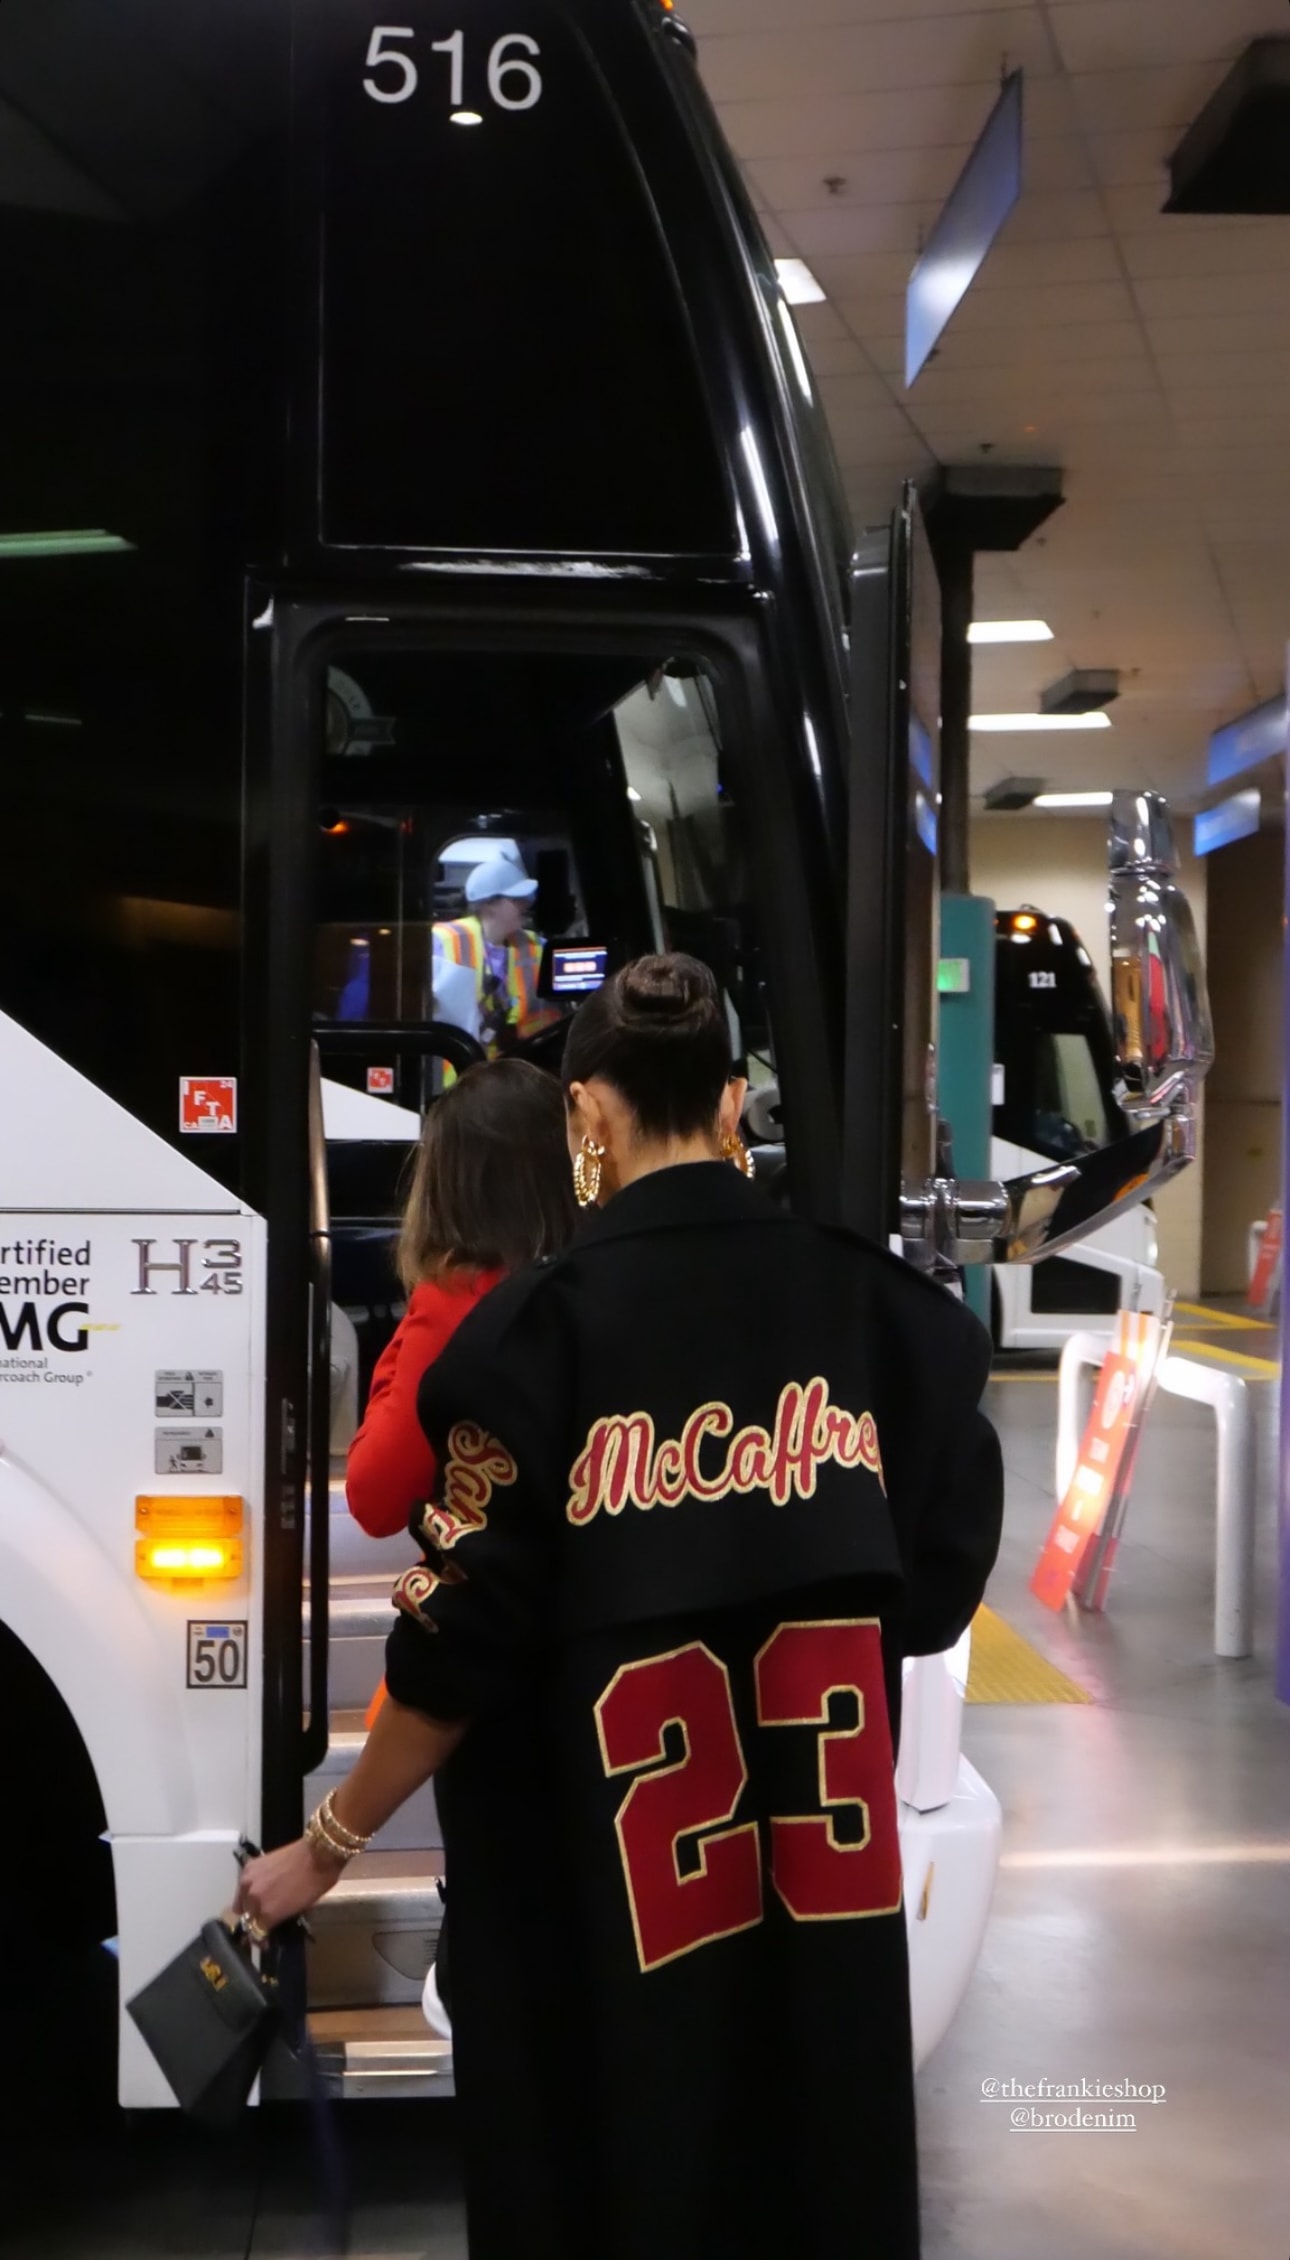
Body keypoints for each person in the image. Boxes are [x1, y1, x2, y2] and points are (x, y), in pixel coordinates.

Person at [239, 953, 1004, 2260]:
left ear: (584, 1114)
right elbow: (929, 1603)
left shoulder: (531, 1343)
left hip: (601, 1965)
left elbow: (449, 1651)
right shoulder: (885, 1316)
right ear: (727, 1104)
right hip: (821, 1976)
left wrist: (327, 1843)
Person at [345, 1057, 577, 1539]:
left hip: (508, 1599)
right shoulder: (606, 1270)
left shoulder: (454, 1303)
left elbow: (377, 1499)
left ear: (448, 1185)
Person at [433, 850, 561, 1054]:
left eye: (526, 897)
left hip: (523, 1063)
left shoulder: (538, 946)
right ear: (489, 905)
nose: (526, 903)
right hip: (462, 1066)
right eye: (517, 898)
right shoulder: (442, 942)